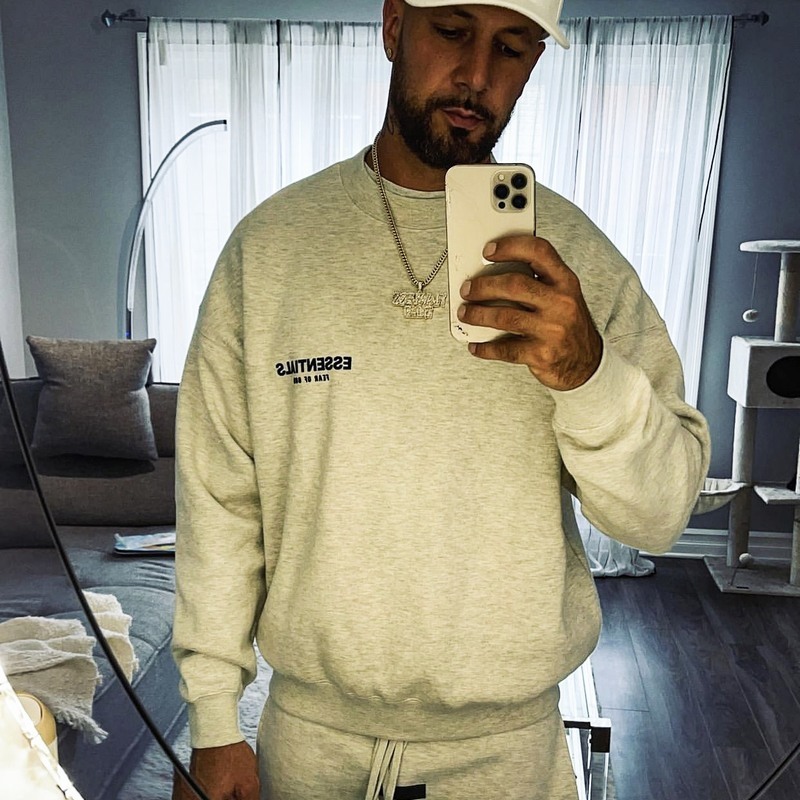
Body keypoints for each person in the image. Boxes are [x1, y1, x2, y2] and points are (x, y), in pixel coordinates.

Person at [171, 1, 711, 798]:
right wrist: (214, 721)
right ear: (396, 27)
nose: (477, 75)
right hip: (310, 745)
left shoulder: (575, 262)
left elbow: (660, 517)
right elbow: (219, 499)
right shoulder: (271, 249)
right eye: (453, 32)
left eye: (512, 48)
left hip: (508, 756)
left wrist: (590, 376)